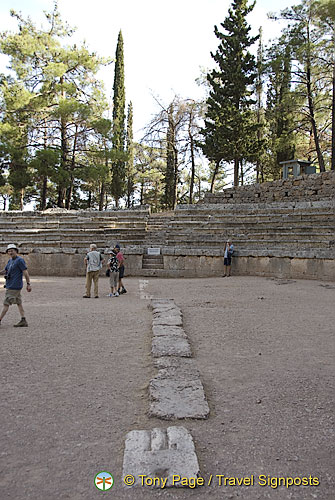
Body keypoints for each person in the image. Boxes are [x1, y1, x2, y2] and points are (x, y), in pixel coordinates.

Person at [0, 244, 31, 327]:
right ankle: (23, 320)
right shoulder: (10, 261)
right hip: (11, 285)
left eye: (12, 250)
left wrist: (28, 284)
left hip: (14, 286)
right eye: (9, 251)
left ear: (16, 251)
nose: (10, 252)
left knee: (6, 303)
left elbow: (25, 272)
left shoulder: (20, 260)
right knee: (18, 303)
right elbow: (5, 270)